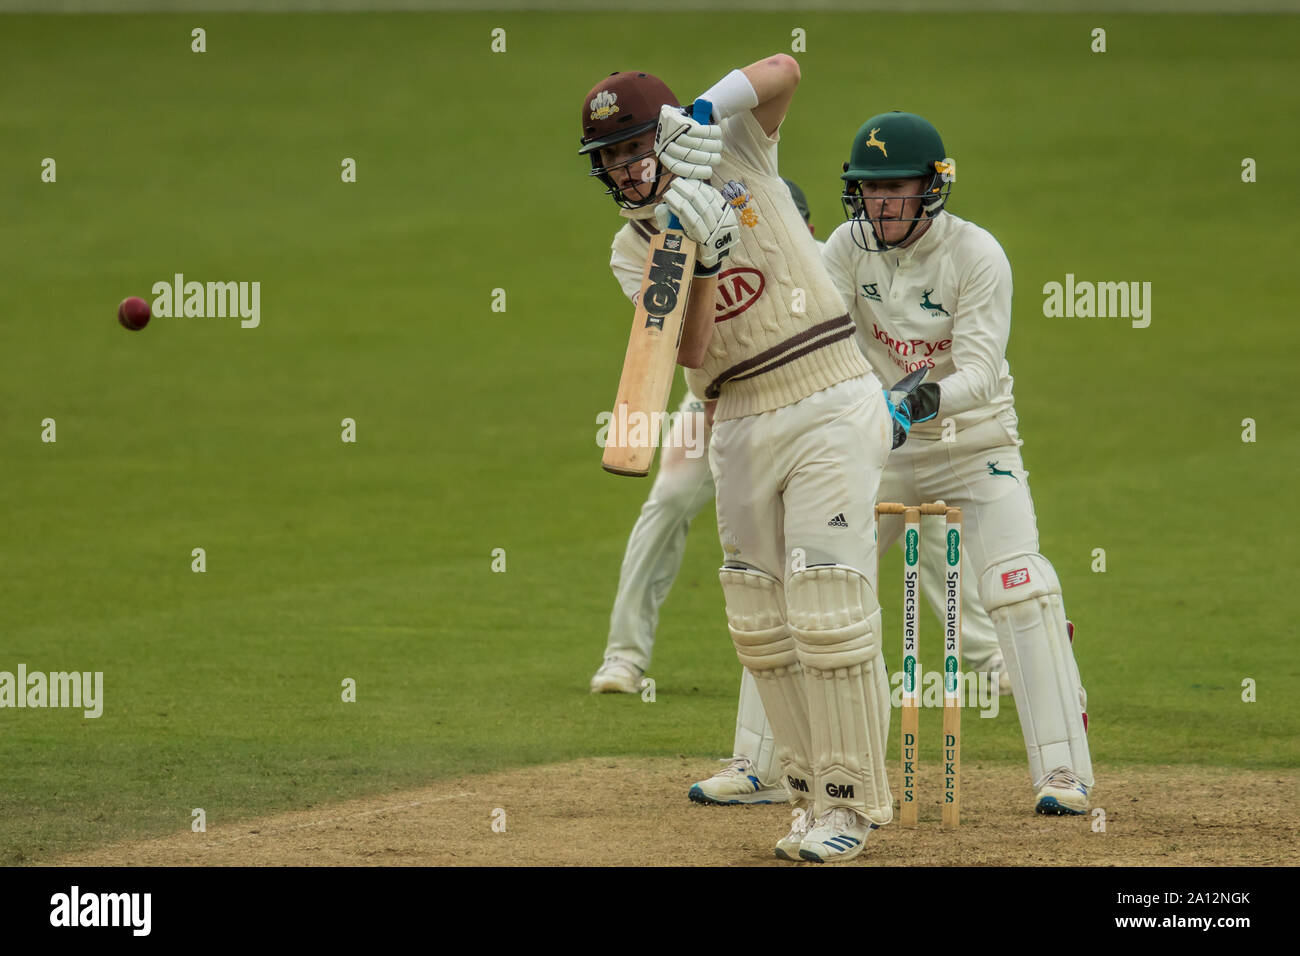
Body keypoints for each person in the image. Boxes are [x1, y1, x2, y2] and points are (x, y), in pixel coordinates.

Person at [581, 56, 892, 861]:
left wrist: (704, 112)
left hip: (828, 390)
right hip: (738, 416)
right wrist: (705, 259)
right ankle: (808, 796)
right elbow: (690, 350)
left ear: (665, 134)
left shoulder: (736, 149)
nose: (626, 168)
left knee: (828, 609)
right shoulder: (633, 248)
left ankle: (851, 807)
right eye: (610, 157)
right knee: (760, 622)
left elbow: (786, 69)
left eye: (636, 146)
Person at [819, 111, 1093, 814]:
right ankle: (765, 767)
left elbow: (978, 371)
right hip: (879, 449)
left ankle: (1063, 773)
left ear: (932, 187)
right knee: (816, 582)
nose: (880, 205)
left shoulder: (977, 254)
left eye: (895, 189)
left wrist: (909, 403)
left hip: (974, 444)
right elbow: (826, 348)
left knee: (1019, 586)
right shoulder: (843, 249)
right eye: (869, 189)